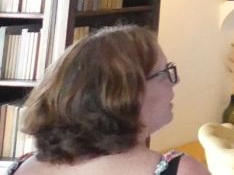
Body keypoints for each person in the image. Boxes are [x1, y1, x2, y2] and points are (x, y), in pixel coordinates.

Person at [9, 25, 209, 175]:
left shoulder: (22, 167)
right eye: (164, 73)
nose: (175, 81)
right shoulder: (181, 171)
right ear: (126, 92)